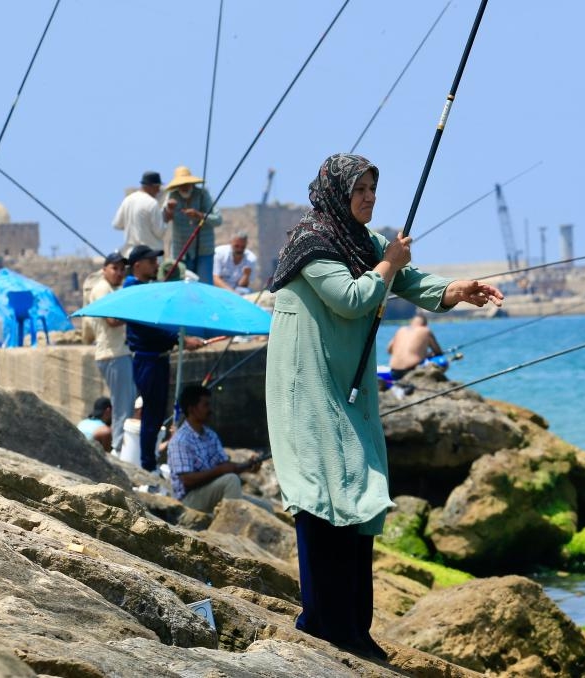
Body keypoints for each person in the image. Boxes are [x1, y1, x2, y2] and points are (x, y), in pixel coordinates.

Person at [265, 153, 502, 660]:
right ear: (336, 192)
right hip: (309, 387)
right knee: (321, 497)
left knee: (359, 494)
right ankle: (322, 621)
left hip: (347, 386)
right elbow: (352, 297)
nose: (369, 199)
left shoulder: (360, 240)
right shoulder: (313, 244)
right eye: (360, 191)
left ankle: (355, 625)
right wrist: (390, 262)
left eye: (373, 190)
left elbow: (408, 281)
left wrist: (454, 290)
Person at [123, 244, 204, 472]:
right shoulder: (133, 289)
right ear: (137, 265)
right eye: (151, 262)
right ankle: (147, 465)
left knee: (156, 413)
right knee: (151, 412)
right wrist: (181, 340)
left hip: (157, 359)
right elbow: (147, 327)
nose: (156, 265)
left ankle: (148, 461)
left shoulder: (144, 288)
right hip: (147, 360)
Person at [167, 384, 265, 513]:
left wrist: (248, 466)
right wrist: (218, 471)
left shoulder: (210, 435)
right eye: (205, 405)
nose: (210, 409)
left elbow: (225, 465)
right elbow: (187, 481)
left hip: (211, 491)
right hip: (188, 501)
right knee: (231, 480)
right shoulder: (180, 441)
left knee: (265, 508)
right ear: (191, 409)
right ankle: (231, 527)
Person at [87, 251, 135, 455]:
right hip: (112, 354)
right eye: (115, 268)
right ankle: (118, 448)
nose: (119, 273)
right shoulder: (102, 289)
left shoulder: (113, 290)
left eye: (122, 269)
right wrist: (136, 315)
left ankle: (121, 446)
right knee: (122, 404)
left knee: (127, 401)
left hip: (118, 352)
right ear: (104, 269)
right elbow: (112, 321)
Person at [161, 166, 222, 283]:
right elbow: (163, 220)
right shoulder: (172, 196)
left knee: (204, 285)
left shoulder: (203, 195)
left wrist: (198, 215)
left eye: (186, 184)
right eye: (181, 185)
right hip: (181, 251)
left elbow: (218, 219)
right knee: (181, 284)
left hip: (203, 250)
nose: (183, 187)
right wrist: (169, 210)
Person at [112, 171, 165, 256]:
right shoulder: (152, 203)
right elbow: (160, 232)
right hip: (151, 255)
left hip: (131, 254)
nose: (158, 191)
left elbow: (117, 224)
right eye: (157, 187)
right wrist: (166, 220)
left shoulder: (128, 200)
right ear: (151, 186)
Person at [387, 315, 444, 380]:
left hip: (394, 371)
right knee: (443, 364)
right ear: (425, 324)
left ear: (412, 323)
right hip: (411, 371)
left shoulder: (401, 330)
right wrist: (427, 355)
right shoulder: (425, 330)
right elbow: (438, 352)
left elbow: (389, 350)